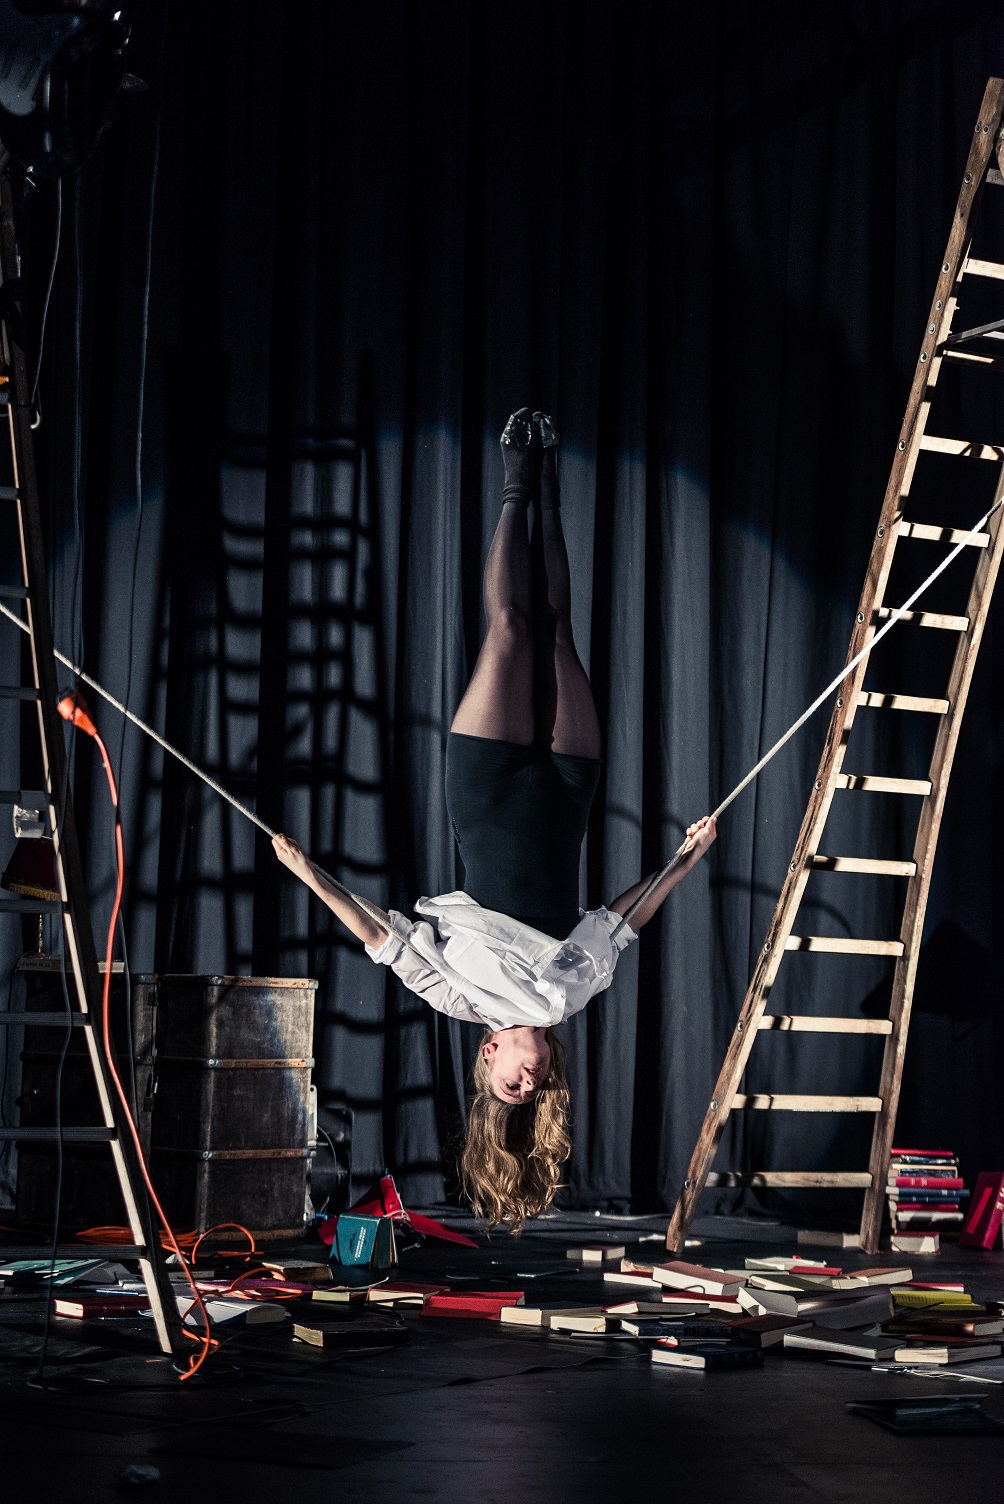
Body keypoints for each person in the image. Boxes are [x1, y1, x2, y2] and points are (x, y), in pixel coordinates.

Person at [273, 408, 716, 1230]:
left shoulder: (458, 998)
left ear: (488, 1057)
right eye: (536, 1088)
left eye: (512, 1086)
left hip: (484, 792)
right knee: (559, 636)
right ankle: (548, 492)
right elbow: (622, 917)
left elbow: (379, 933)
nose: (530, 1081)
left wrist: (309, 874)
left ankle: (516, 478)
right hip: (566, 794)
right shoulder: (572, 992)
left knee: (511, 631)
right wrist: (682, 862)